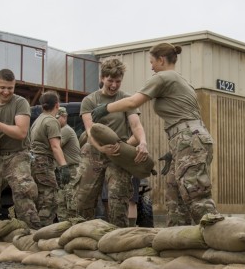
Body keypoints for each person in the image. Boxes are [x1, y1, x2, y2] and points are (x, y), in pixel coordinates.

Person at [91, 43, 219, 226]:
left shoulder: (163, 77)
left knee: (195, 192)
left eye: (152, 62)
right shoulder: (182, 81)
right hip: (187, 139)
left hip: (189, 139)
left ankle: (219, 237)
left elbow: (133, 102)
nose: (151, 66)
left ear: (161, 60)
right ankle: (178, 239)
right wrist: (175, 150)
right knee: (174, 193)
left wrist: (106, 108)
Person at [73, 57, 149, 228]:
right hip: (94, 151)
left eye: (118, 81)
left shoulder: (125, 99)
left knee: (118, 197)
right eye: (110, 81)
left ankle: (119, 237)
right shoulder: (90, 101)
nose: (114, 85)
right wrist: (101, 147)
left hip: (118, 152)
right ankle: (82, 233)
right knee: (83, 197)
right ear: (102, 78)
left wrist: (141, 142)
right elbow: (89, 130)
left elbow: (136, 125)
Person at [0, 68, 41, 229]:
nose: (6, 92)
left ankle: (31, 231)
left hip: (17, 154)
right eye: (2, 87)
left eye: (10, 88)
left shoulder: (20, 103)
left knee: (23, 192)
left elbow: (21, 132)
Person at [28, 91, 70, 227]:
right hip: (44, 162)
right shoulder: (51, 121)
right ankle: (43, 229)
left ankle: (35, 228)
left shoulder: (38, 120)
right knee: (49, 199)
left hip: (34, 162)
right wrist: (64, 167)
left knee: (40, 198)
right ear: (57, 105)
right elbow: (55, 147)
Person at [56, 106, 81, 221]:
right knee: (61, 202)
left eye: (58, 118)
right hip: (64, 169)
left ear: (64, 117)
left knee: (71, 202)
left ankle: (73, 228)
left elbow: (54, 146)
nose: (55, 121)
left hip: (72, 169)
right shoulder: (60, 130)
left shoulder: (65, 130)